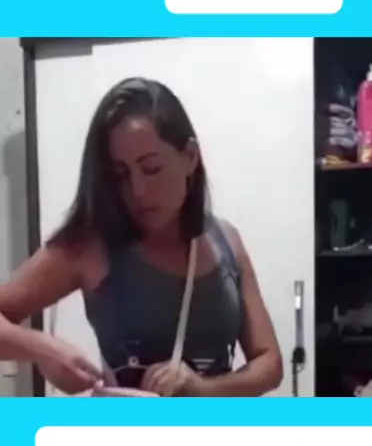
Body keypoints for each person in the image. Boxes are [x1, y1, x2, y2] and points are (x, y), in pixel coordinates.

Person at [0, 78, 283, 397]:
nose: (138, 190)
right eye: (121, 175)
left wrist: (205, 389)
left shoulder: (226, 241)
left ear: (190, 157)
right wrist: (42, 349)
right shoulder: (91, 245)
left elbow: (269, 363)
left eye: (152, 168)